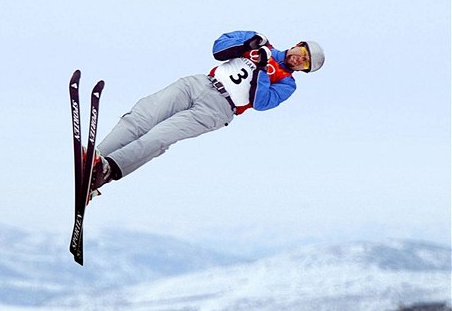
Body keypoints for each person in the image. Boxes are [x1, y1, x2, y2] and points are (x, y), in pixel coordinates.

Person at [90, 30, 325, 192]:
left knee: (160, 136)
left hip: (219, 108)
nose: (298, 59)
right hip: (200, 83)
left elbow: (261, 102)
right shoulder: (263, 44)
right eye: (302, 53)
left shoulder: (287, 83)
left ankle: (107, 170)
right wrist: (249, 43)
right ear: (297, 44)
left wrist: (262, 68)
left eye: (304, 63)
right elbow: (219, 48)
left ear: (303, 70)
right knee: (143, 115)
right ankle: (94, 159)